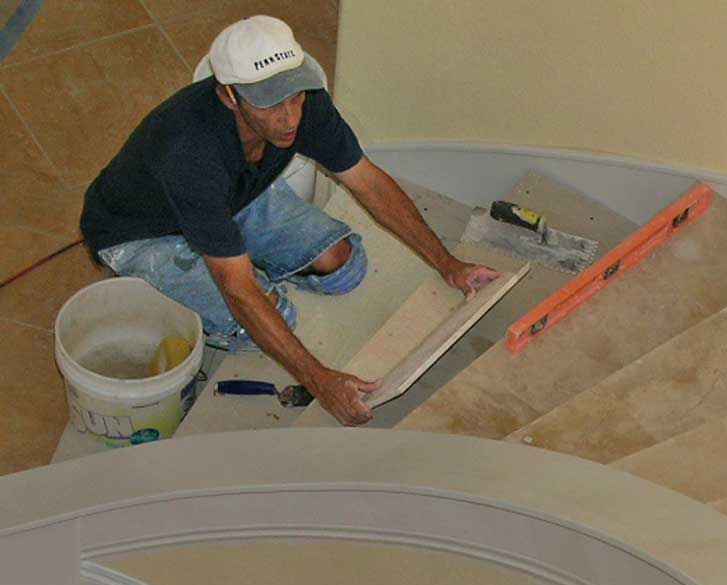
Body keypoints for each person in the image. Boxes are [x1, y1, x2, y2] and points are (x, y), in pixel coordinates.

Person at [79, 15, 497, 425]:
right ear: (229, 95)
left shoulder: (305, 101)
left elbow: (369, 182)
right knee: (264, 315)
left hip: (234, 197)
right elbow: (238, 290)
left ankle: (234, 253)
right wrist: (318, 380)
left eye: (293, 96)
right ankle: (177, 272)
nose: (290, 118)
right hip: (140, 232)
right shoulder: (189, 151)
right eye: (269, 103)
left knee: (344, 266)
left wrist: (449, 265)